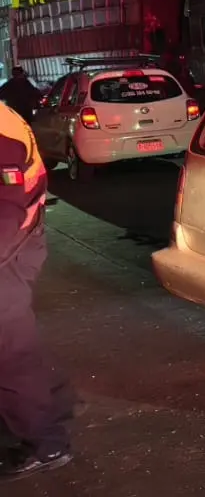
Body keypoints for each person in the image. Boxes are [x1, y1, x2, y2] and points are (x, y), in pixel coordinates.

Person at [0, 102, 75, 481]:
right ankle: (52, 413)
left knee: (11, 354)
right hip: (15, 243)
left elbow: (6, 211)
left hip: (10, 249)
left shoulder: (2, 134)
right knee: (18, 350)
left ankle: (46, 443)